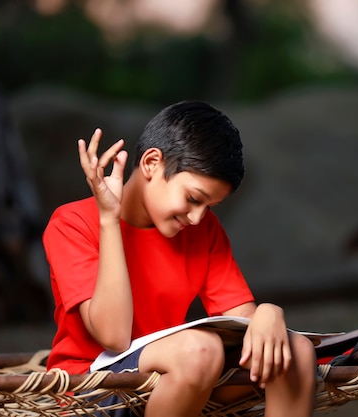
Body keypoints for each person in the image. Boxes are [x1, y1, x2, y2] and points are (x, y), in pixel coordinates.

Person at [42, 100, 317, 417]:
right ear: (151, 163)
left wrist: (269, 314)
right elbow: (114, 336)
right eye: (193, 199)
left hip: (176, 386)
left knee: (294, 351)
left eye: (209, 206)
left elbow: (242, 321)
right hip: (90, 390)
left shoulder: (203, 231)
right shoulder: (72, 223)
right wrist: (109, 220)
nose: (198, 218)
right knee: (201, 350)